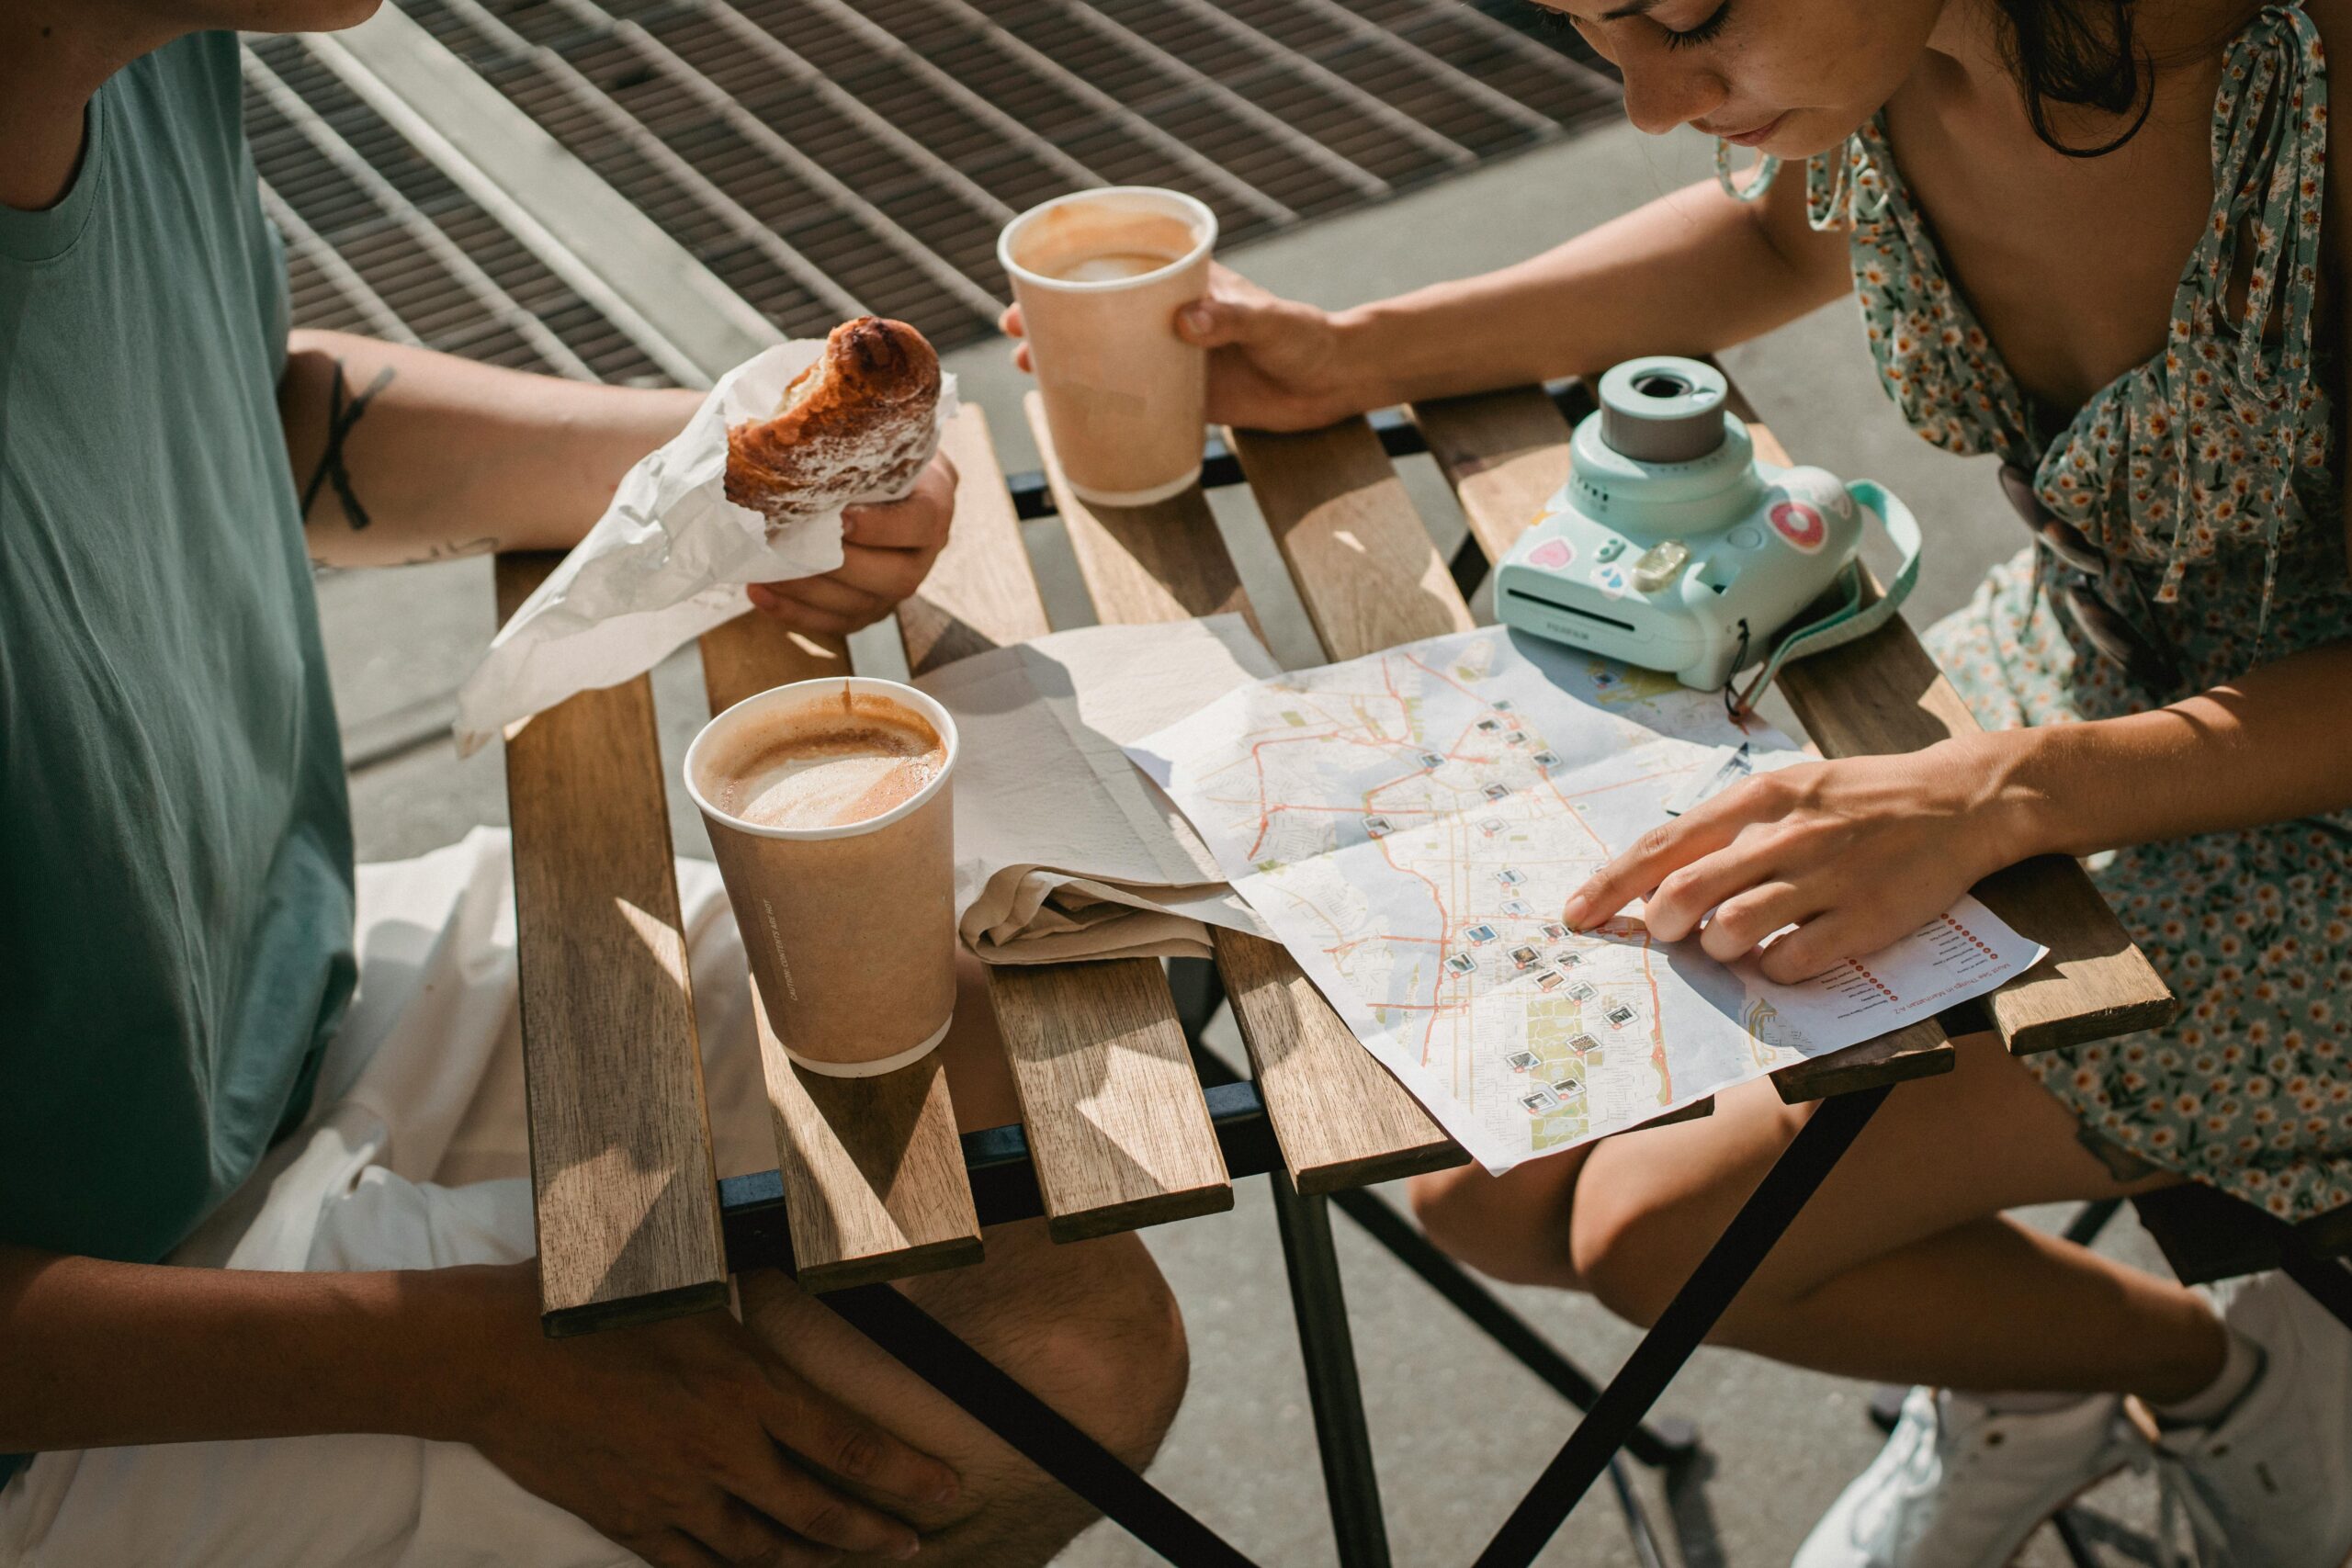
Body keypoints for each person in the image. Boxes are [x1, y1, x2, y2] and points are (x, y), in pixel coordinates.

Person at [1003, 0, 2352, 1562]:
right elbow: (1780, 247)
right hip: (2087, 696)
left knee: (1663, 1237)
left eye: (1694, 16)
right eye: (1593, 26)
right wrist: (1353, 355)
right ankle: (2030, 1380)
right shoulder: (1914, 44)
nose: (1649, 101)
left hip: (2261, 817)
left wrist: (2002, 797)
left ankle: (2225, 1375)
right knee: (1486, 1187)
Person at [0, 4, 1186, 1565]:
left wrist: (713, 478)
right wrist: (459, 1355)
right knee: (1045, 1369)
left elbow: (235, 392)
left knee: (994, 1058)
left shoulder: (148, 51)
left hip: (292, 996)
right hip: (85, 1367)